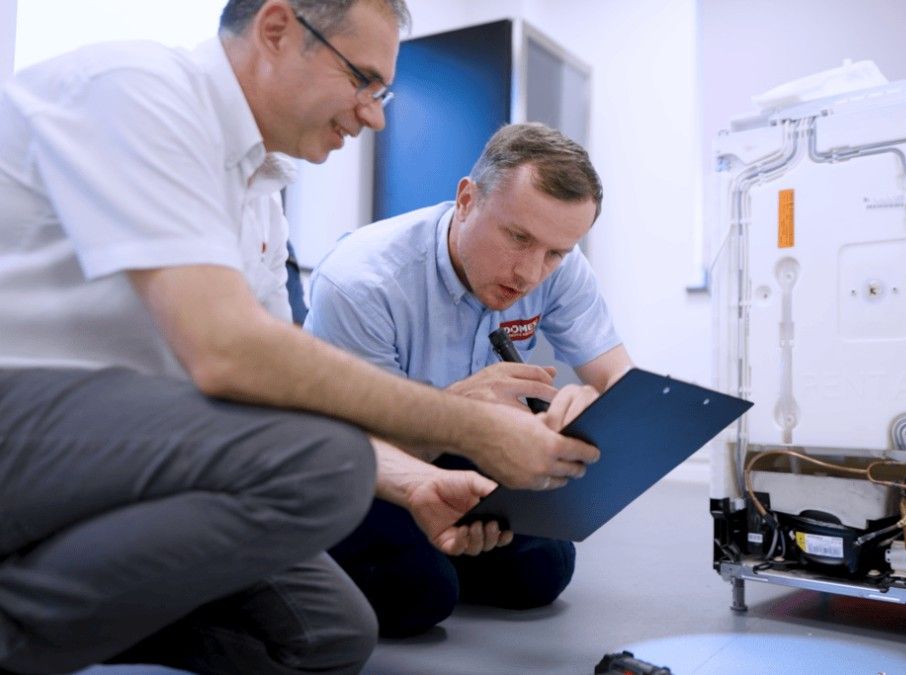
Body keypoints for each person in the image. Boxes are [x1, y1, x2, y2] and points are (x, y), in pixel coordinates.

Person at [0, 2, 600, 673]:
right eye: (361, 80)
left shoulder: (258, 191)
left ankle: (77, 609)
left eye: (382, 91)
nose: (374, 114)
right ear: (278, 29)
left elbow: (274, 403)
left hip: (139, 452)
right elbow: (228, 356)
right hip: (22, 419)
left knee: (328, 634)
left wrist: (414, 485)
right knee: (329, 464)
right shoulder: (136, 89)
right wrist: (471, 426)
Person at [305, 122, 634, 637]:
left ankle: (441, 549)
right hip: (361, 461)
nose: (530, 273)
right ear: (466, 200)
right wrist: (454, 411)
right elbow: (344, 447)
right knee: (418, 595)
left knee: (542, 572)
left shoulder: (559, 268)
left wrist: (590, 405)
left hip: (466, 450)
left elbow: (618, 376)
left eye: (555, 252)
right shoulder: (360, 281)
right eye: (518, 237)